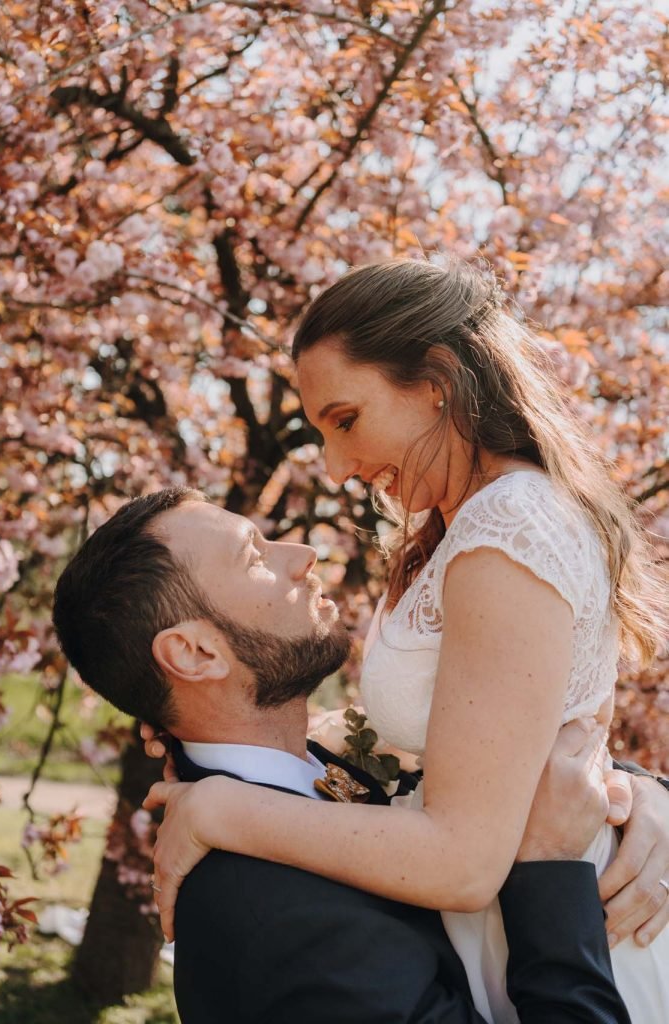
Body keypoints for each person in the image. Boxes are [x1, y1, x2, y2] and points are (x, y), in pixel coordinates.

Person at [140, 258, 669, 1023]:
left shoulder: (507, 528)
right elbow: (479, 744)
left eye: (346, 420)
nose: (337, 466)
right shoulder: (453, 532)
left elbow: (461, 861)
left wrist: (221, 810)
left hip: (571, 932)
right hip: (502, 928)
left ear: (436, 380)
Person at [52, 487, 636, 1023]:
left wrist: (634, 800)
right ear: (195, 653)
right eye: (253, 556)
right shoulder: (276, 917)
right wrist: (553, 870)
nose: (301, 553)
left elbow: (482, 773)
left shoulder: (326, 771)